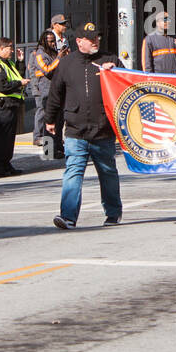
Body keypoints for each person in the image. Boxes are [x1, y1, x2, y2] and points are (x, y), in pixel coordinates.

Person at [45, 21, 123, 229]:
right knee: (73, 171)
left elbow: (126, 84)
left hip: (103, 129)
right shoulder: (67, 63)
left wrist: (115, 71)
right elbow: (55, 93)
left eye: (97, 37)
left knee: (107, 172)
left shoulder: (109, 59)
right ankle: (68, 216)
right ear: (79, 42)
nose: (95, 41)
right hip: (75, 130)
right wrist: (50, 119)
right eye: (91, 39)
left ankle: (113, 213)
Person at [0, 37, 28, 179]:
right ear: (0, 48)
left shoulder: (5, 63)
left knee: (9, 137)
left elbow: (16, 76)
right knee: (1, 137)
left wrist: (20, 62)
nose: (12, 51)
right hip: (2, 105)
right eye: (9, 47)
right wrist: (19, 83)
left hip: (10, 105)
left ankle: (6, 164)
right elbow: (3, 86)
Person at [28, 30, 64, 155]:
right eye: (50, 41)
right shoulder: (40, 54)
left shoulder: (53, 53)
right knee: (49, 119)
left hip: (56, 90)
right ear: (44, 41)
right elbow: (47, 70)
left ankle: (58, 146)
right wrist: (59, 57)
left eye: (54, 41)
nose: (53, 43)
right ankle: (49, 150)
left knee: (59, 120)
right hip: (45, 91)